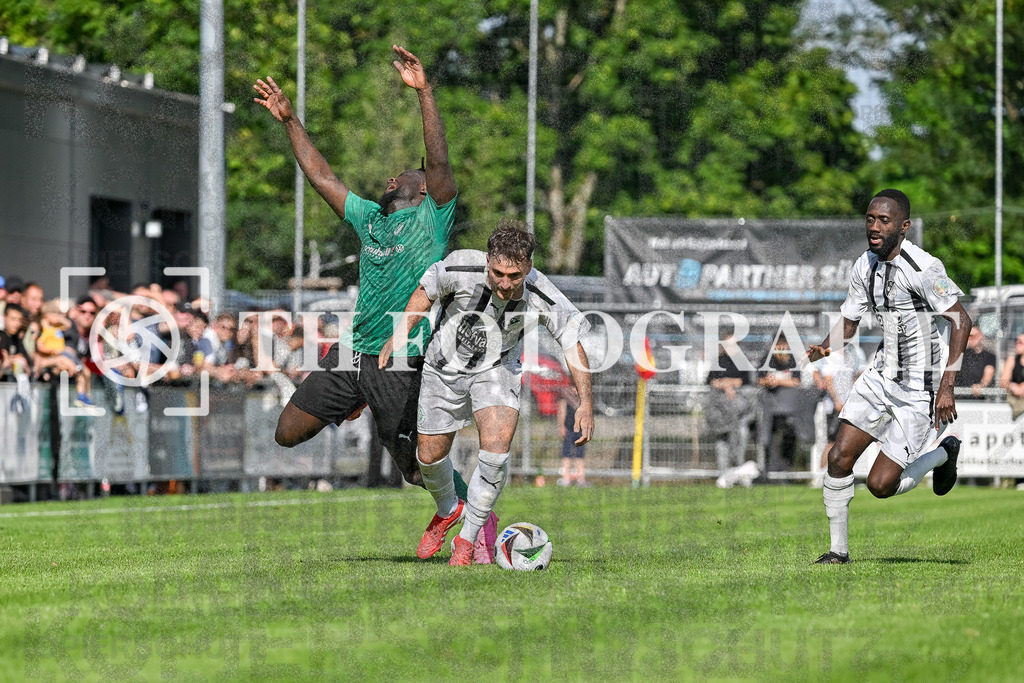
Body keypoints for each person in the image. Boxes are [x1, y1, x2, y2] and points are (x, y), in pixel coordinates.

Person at [253, 46, 472, 499]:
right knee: (287, 431)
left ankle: (479, 522)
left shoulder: (432, 218)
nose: (393, 179)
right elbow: (322, 177)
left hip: (400, 357)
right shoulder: (370, 217)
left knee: (419, 470)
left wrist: (424, 93)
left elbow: (439, 161)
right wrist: (290, 120)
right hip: (354, 354)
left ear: (425, 188)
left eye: (403, 176)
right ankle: (359, 397)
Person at [379, 220, 595, 566]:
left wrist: (585, 402)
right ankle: (448, 510)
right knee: (428, 457)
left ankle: (466, 541)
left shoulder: (542, 293)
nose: (505, 283)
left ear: (529, 267)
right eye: (498, 274)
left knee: (496, 452)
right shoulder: (461, 266)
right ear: (487, 261)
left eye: (515, 276)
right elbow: (426, 290)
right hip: (443, 368)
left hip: (497, 369)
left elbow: (572, 345)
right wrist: (402, 330)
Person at [806, 189, 971, 564]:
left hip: (920, 387)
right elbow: (849, 324)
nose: (875, 227)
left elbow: (961, 320)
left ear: (904, 226)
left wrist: (947, 387)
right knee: (838, 458)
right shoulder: (863, 265)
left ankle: (944, 453)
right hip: (880, 376)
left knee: (881, 485)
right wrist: (824, 347)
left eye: (884, 220)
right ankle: (838, 552)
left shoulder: (924, 268)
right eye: (870, 219)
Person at [557, 385, 590, 487]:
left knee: (580, 454)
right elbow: (561, 411)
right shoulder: (566, 396)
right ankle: (566, 478)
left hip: (580, 429)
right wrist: (561, 426)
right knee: (566, 454)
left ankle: (581, 478)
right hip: (569, 428)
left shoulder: (584, 397)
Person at [955, 325, 996, 397]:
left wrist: (981, 386)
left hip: (978, 398)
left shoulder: (990, 357)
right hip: (959, 397)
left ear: (981, 336)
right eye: (968, 336)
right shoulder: (961, 355)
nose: (970, 338)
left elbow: (989, 373)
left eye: (973, 336)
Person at [1000, 334, 1024, 420]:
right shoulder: (1012, 360)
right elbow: (1003, 382)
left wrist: (1021, 388)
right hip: (1016, 403)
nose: (1017, 344)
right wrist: (1013, 386)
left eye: (1020, 342)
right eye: (1016, 341)